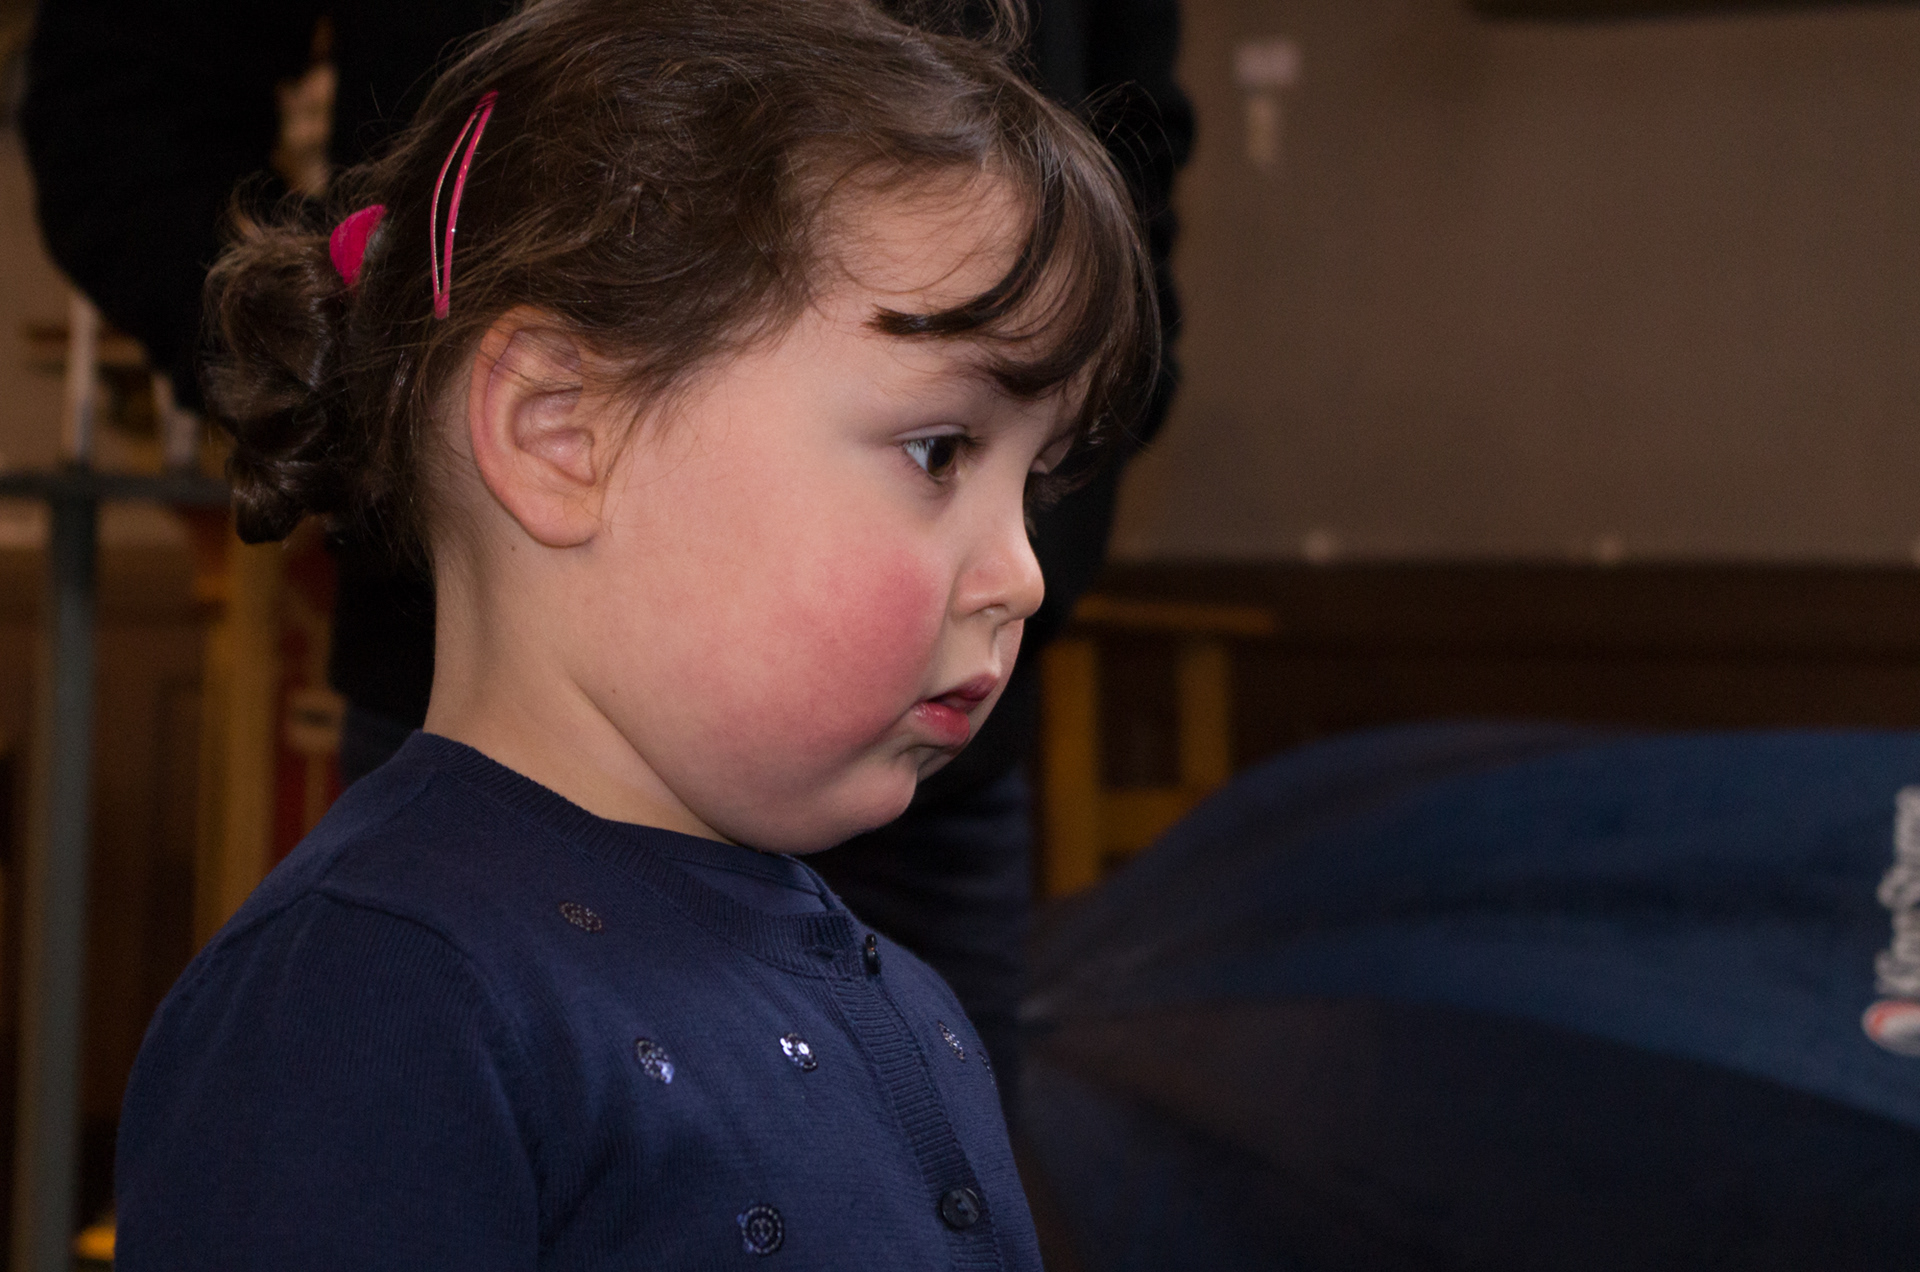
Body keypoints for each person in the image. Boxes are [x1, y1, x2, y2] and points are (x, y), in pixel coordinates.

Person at [111, 0, 1157, 1266]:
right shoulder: (369, 1002)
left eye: (1035, 483)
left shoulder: (908, 1001)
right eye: (939, 452)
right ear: (562, 432)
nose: (1023, 576)